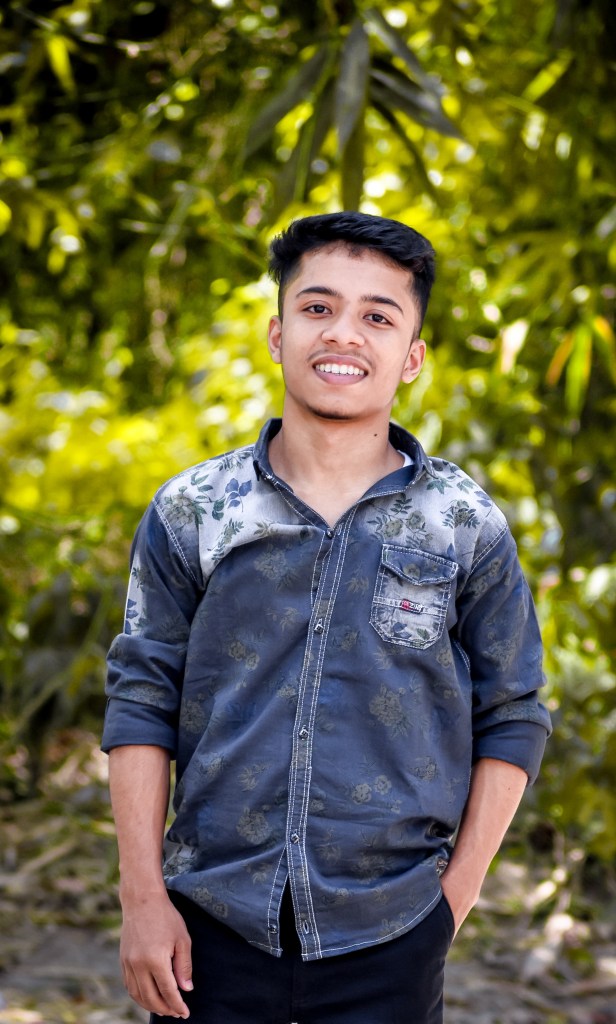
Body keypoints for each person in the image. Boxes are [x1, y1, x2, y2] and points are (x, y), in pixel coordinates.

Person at [102, 211, 551, 1024]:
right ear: (278, 334)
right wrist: (142, 900)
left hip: (393, 932)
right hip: (208, 929)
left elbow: (514, 712)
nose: (343, 333)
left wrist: (451, 904)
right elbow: (141, 697)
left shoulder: (463, 525)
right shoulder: (194, 510)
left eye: (378, 316)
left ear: (411, 356)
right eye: (318, 307)